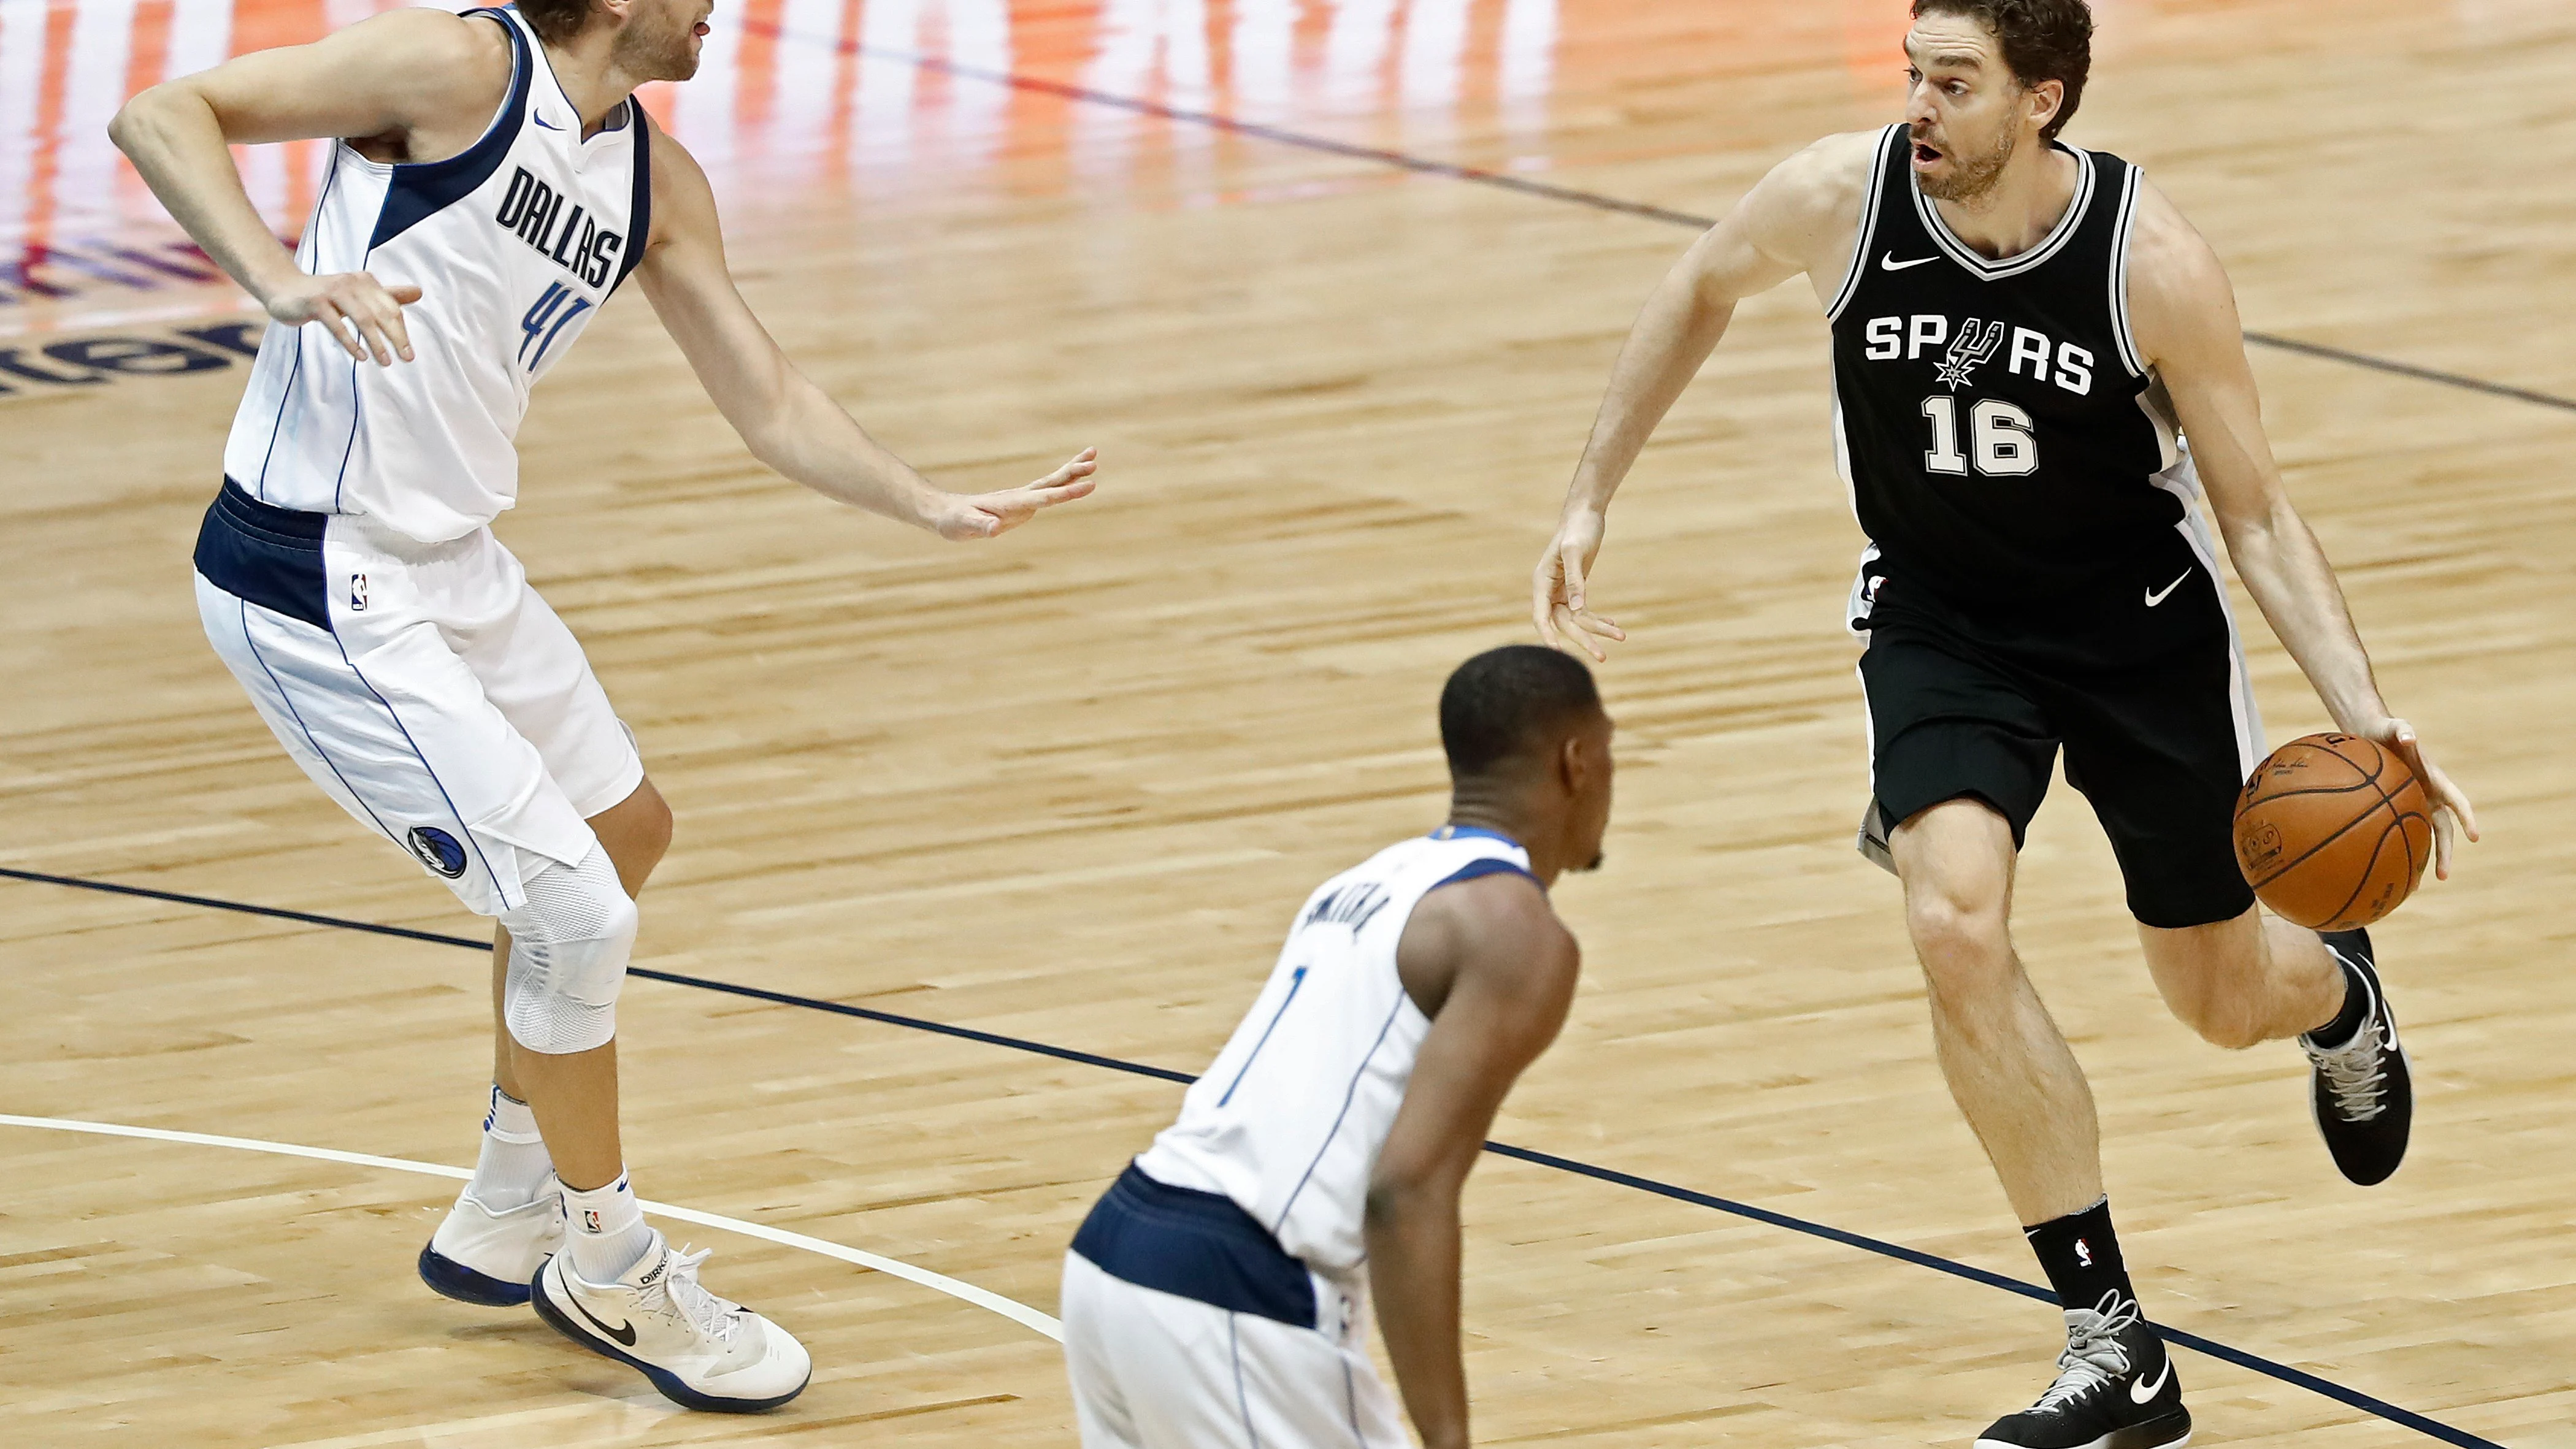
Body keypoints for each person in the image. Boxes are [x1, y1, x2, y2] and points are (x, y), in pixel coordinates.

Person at [110, 0, 1097, 1412]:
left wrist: (928, 499)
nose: (722, 10)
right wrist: (276, 277)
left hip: (451, 560)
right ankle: (607, 1258)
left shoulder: (655, 178)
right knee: (576, 912)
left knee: (622, 828)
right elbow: (162, 113)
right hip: (313, 566)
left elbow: (763, 389)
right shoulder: (459, 67)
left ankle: (509, 1196)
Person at [1525, 3, 2476, 1445]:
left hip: (2137, 637)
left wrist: (2372, 717)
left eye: (1953, 83)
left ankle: (2338, 997)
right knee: (1953, 921)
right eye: (1913, 72)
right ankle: (2113, 1341)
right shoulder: (1846, 198)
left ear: (2041, 101)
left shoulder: (2150, 263)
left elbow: (2257, 514)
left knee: (2217, 998)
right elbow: (1701, 284)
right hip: (1943, 623)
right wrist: (1590, 494)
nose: (1919, 104)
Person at [1060, 644, 1611, 1449]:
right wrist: (1447, 1437)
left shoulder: (1366, 880)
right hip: (1236, 1290)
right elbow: (1404, 1191)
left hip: (1114, 1252)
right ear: (1577, 761)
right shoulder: (1516, 930)